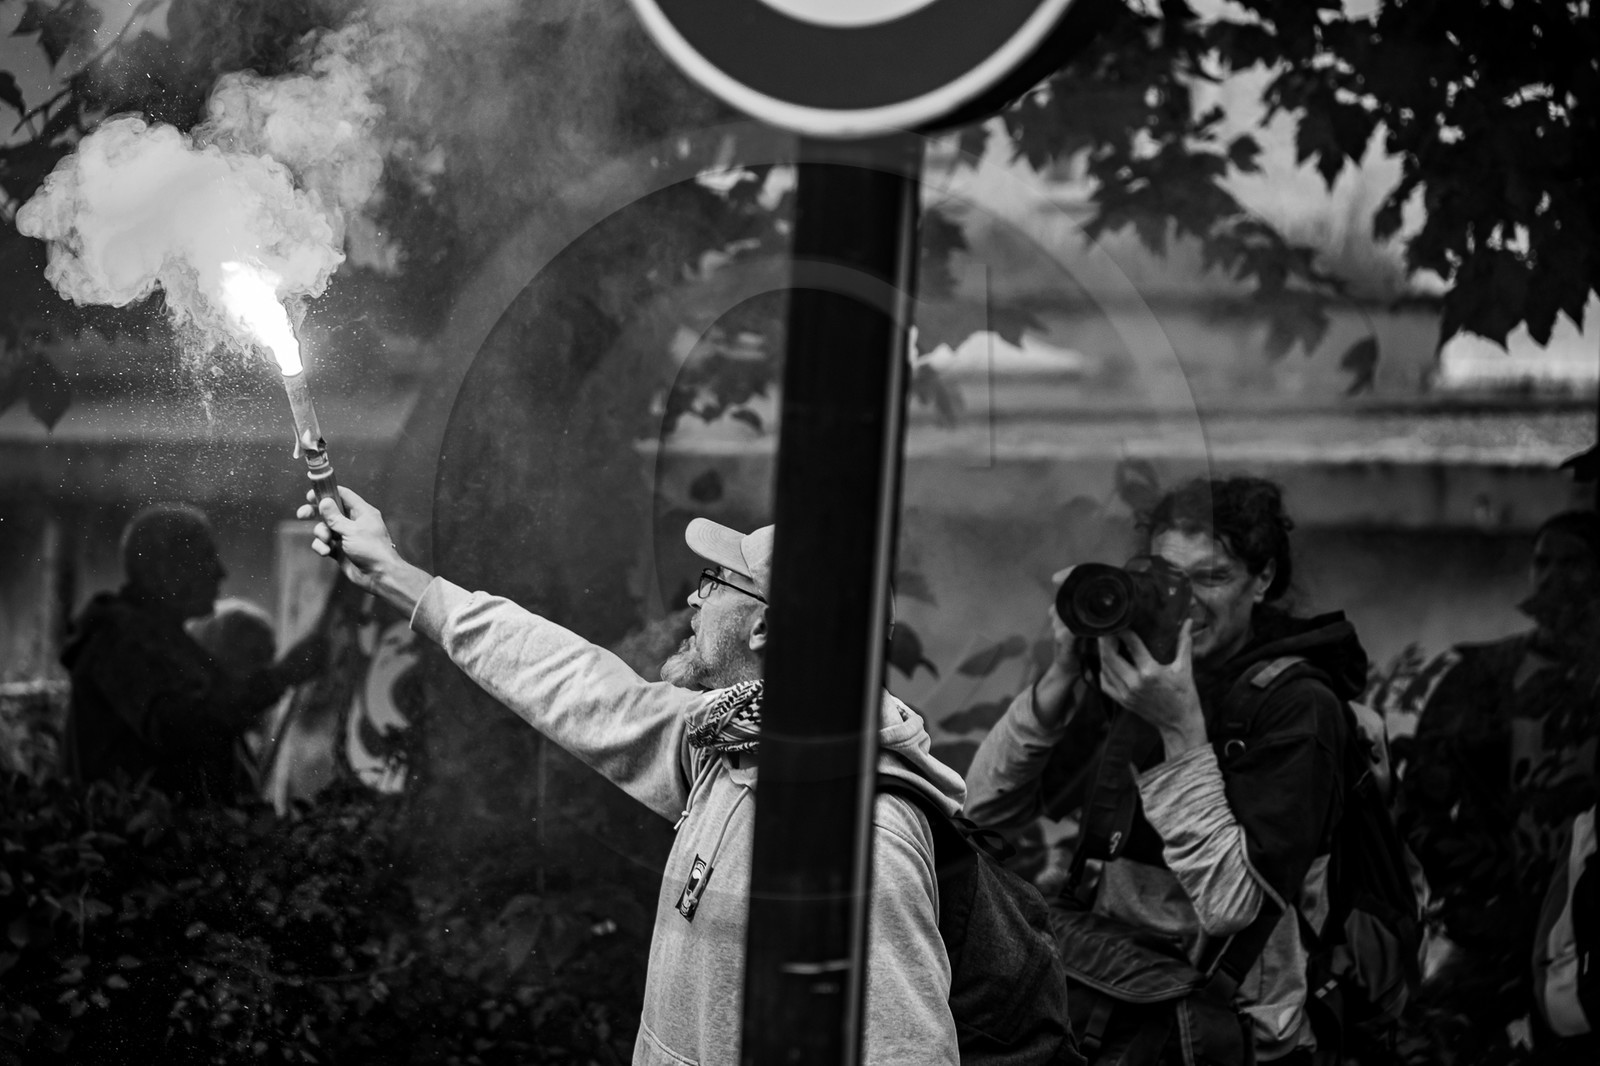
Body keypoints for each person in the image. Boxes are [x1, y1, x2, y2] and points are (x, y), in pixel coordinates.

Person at [299, 485, 966, 1066]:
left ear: (763, 628)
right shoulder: (728, 741)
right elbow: (571, 680)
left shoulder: (859, 840)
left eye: (715, 582)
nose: (694, 598)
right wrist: (393, 574)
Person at [965, 476, 1367, 1064]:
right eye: (1166, 577)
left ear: (1263, 580)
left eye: (1212, 577)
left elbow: (1229, 906)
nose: (1185, 600)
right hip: (1117, 1001)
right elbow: (982, 814)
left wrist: (1180, 729)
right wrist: (1059, 678)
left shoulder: (1297, 707)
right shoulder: (1136, 670)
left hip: (1236, 1037)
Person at [1400, 510, 1600, 1064]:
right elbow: (1418, 803)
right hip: (1496, 923)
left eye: (1573, 563)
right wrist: (1472, 884)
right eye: (1543, 562)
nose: (1553, 577)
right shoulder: (1483, 675)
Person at [61, 504, 323, 803]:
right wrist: (280, 677)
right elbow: (180, 725)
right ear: (163, 569)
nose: (220, 572)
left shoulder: (164, 638)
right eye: (205, 557)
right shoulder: (118, 640)